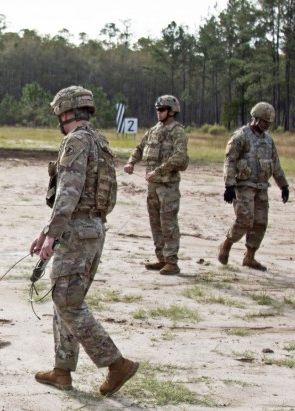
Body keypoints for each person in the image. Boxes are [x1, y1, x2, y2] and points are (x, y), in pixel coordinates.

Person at [29, 85, 138, 396]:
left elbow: (69, 193)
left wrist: (52, 235)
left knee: (68, 301)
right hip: (92, 228)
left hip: (77, 232)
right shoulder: (99, 141)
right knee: (65, 300)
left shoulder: (76, 140)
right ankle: (62, 370)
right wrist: (46, 230)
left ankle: (115, 364)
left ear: (66, 112)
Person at [217, 102, 289, 270]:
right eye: (264, 122)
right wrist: (229, 185)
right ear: (256, 119)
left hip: (262, 187)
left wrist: (283, 186)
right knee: (245, 220)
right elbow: (230, 162)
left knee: (260, 223)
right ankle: (226, 244)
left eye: (269, 123)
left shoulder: (268, 141)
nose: (267, 125)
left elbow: (276, 166)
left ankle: (249, 257)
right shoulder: (240, 137)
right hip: (244, 186)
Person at [124, 95, 189, 275]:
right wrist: (131, 162)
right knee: (155, 223)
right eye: (158, 110)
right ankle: (161, 258)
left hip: (168, 186)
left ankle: (172, 261)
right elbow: (139, 148)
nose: (159, 113)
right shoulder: (153, 130)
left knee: (168, 223)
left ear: (171, 111)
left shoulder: (178, 132)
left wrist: (159, 171)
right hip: (152, 186)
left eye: (162, 110)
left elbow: (179, 157)